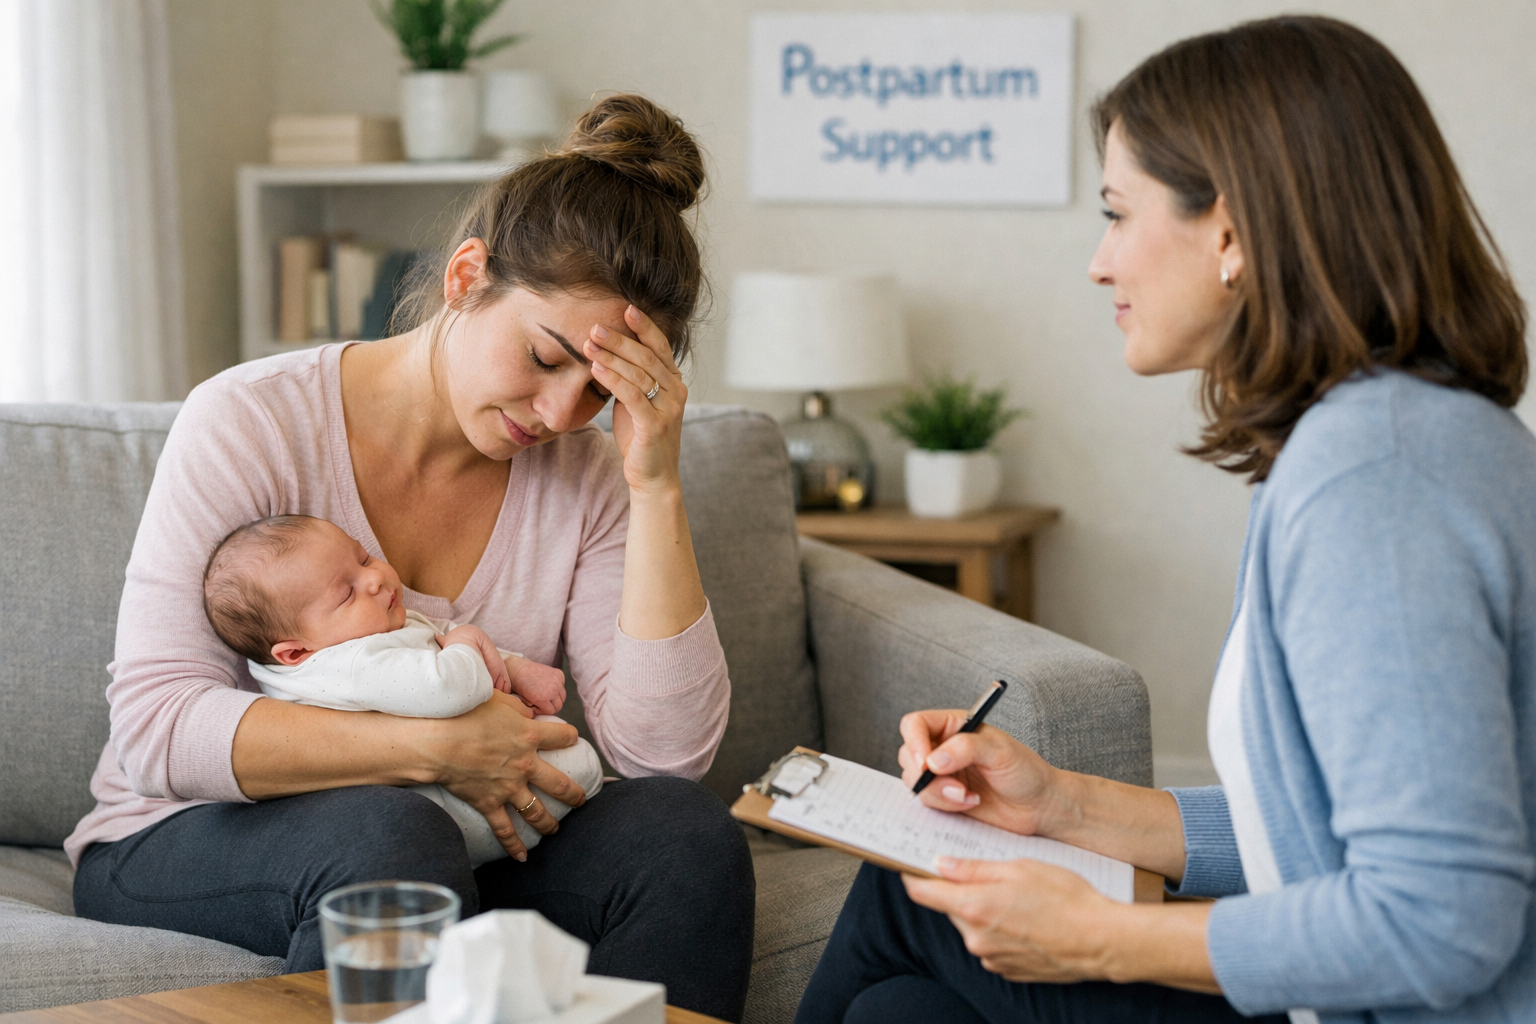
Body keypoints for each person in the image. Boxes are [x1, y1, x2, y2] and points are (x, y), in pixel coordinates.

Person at [796, 16, 1534, 1024]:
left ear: (1230, 232)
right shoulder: (1411, 433)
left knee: (905, 897)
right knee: (901, 1013)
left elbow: (1442, 917)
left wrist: (1091, 935)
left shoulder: (1374, 479)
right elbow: (1318, 835)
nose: (1100, 263)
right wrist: (1063, 804)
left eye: (1117, 212)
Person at [66, 93, 755, 1022]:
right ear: (468, 277)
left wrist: (655, 485)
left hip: (456, 841)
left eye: (600, 391)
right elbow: (155, 727)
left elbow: (662, 757)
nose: (559, 415)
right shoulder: (251, 420)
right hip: (191, 836)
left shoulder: (590, 475)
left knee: (683, 832)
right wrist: (435, 750)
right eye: (547, 357)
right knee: (391, 828)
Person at [202, 514, 604, 866]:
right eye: (346, 593)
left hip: (446, 792)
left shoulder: (360, 628)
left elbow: (437, 637)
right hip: (438, 812)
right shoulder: (354, 662)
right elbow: (448, 686)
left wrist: (515, 666)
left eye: (363, 558)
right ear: (295, 652)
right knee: (577, 762)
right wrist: (468, 638)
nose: (375, 578)